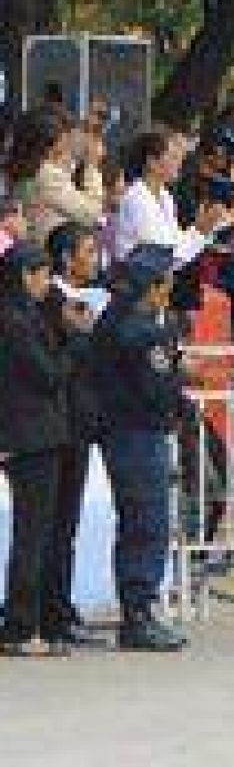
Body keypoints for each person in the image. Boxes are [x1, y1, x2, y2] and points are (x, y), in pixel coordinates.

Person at [92, 243, 191, 651]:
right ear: (154, 286)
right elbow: (157, 386)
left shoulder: (121, 319)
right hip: (137, 432)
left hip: (127, 431)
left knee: (140, 520)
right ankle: (139, 612)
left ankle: (139, 608)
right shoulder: (142, 329)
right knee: (147, 521)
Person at [0, 241, 73, 654]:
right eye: (42, 274)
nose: (47, 282)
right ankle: (21, 626)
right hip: (33, 437)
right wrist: (71, 349)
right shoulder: (16, 321)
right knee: (33, 533)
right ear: (25, 275)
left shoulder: (23, 316)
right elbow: (46, 374)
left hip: (33, 434)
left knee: (35, 532)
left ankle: (27, 621)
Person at [40, 222, 108, 646]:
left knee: (67, 524)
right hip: (59, 426)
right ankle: (50, 612)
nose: (95, 259)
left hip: (80, 424)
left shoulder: (88, 301)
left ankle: (60, 606)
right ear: (66, 258)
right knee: (53, 525)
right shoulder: (53, 303)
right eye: (87, 251)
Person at [114, 124, 234, 268]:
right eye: (173, 157)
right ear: (152, 162)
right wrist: (202, 228)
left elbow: (177, 244)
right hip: (137, 284)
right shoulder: (137, 198)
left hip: (161, 280)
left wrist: (213, 223)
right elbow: (167, 257)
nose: (179, 163)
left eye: (179, 157)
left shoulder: (164, 195)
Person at [8, 106, 105, 246]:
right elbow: (91, 213)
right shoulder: (46, 174)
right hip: (51, 253)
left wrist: (90, 131)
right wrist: (92, 166)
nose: (69, 139)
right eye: (65, 134)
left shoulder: (27, 166)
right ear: (49, 139)